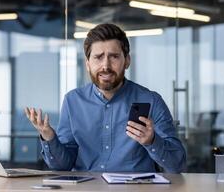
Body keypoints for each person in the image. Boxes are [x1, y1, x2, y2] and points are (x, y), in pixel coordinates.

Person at [25, 23, 186, 173]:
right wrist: (49, 137)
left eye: (114, 57)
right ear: (88, 63)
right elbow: (62, 166)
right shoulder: (72, 101)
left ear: (127, 61)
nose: (106, 66)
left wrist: (152, 141)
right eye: (98, 57)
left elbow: (177, 165)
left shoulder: (151, 101)